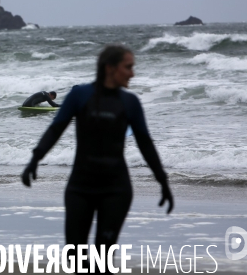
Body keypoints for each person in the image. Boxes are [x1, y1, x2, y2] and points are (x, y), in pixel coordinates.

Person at [21, 45, 173, 271]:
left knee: (102, 262)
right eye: (128, 67)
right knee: (75, 259)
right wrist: (35, 159)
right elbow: (56, 129)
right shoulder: (80, 96)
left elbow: (145, 143)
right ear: (110, 68)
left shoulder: (130, 102)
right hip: (79, 188)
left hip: (116, 190)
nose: (132, 73)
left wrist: (162, 180)